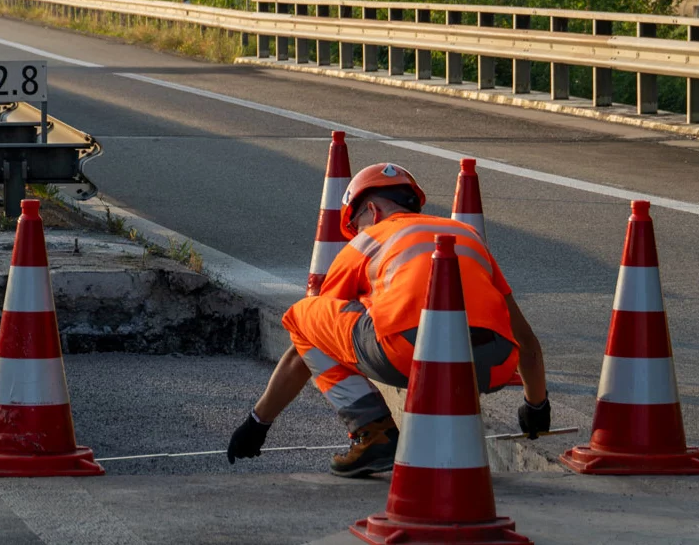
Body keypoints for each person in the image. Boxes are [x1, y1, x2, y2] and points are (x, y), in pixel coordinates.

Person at [227, 163, 549, 477]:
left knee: (304, 316)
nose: (356, 233)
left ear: (372, 211)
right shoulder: (467, 235)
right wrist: (536, 407)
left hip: (407, 356)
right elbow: (527, 342)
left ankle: (372, 431)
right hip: (493, 365)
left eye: (356, 225)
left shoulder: (369, 240)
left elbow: (311, 339)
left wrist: (258, 422)